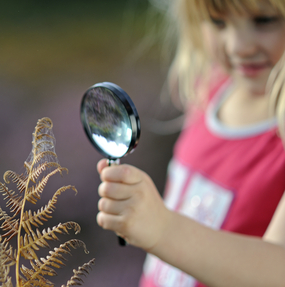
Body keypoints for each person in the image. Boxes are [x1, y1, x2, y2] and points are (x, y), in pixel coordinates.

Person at [95, 0, 285, 286]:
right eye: (218, 21)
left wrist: (163, 229)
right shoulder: (210, 91)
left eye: (265, 20)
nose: (238, 47)